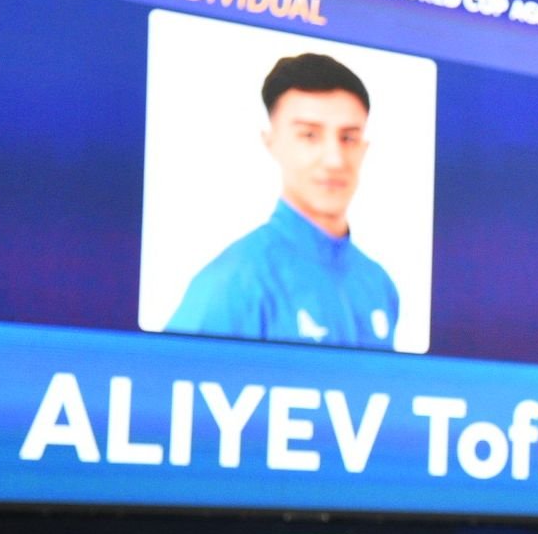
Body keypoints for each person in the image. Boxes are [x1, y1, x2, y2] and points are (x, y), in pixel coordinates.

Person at [166, 53, 400, 349]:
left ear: (364, 148)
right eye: (309, 135)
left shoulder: (378, 284)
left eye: (348, 138)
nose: (334, 160)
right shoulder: (235, 283)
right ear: (272, 142)